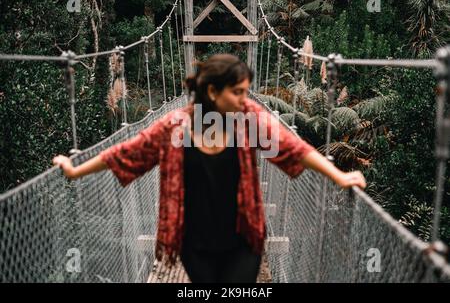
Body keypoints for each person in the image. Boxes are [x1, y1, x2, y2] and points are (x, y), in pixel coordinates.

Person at [53, 54, 366, 283]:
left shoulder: (247, 120)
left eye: (246, 91)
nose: (246, 99)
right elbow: (126, 153)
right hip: (194, 242)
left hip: (242, 240)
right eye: (238, 92)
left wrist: (338, 175)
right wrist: (74, 170)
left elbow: (292, 147)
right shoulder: (175, 127)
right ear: (214, 93)